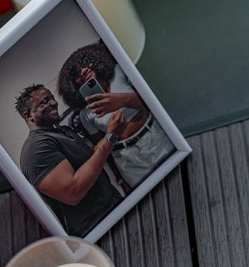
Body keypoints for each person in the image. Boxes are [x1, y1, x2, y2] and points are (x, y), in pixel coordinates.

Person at [57, 42, 176, 189]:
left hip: (156, 138)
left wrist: (121, 100)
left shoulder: (119, 73)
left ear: (96, 59)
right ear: (73, 84)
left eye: (85, 62)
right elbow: (103, 149)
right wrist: (119, 178)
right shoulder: (85, 114)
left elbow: (154, 100)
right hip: (126, 159)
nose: (82, 71)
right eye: (76, 73)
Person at [16, 83, 122, 236]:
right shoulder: (35, 149)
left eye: (52, 98)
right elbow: (72, 192)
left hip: (114, 203)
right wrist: (110, 138)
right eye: (44, 102)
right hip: (95, 227)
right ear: (28, 115)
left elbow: (88, 161)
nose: (53, 103)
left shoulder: (63, 131)